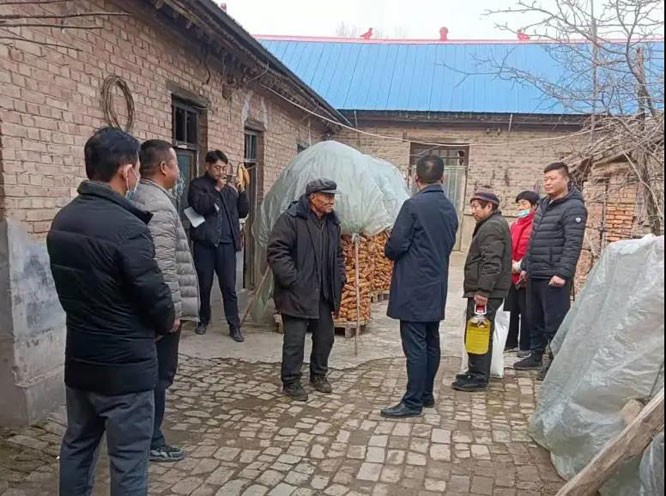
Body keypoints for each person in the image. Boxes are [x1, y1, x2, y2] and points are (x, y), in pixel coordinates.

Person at [47, 127, 176, 495]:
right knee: (129, 462)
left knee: (77, 447)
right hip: (125, 370)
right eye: (135, 167)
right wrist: (167, 321)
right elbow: (154, 295)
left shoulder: (63, 220)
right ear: (126, 170)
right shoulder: (128, 227)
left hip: (81, 360)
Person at [132, 140, 200, 463]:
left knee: (155, 377)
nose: (178, 172)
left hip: (155, 310)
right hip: (163, 313)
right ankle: (152, 441)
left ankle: (146, 436)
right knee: (158, 378)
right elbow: (163, 267)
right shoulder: (157, 205)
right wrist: (169, 314)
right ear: (164, 168)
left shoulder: (147, 197)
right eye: (175, 165)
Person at [380, 155, 459, 418]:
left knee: (415, 346)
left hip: (413, 285)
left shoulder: (412, 205)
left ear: (416, 179)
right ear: (442, 178)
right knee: (431, 340)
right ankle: (426, 394)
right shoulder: (449, 208)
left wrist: (390, 248)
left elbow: (396, 245)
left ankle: (412, 402)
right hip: (436, 284)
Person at [267, 179, 346, 402]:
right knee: (295, 340)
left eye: (333, 196)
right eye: (327, 196)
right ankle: (291, 381)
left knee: (325, 337)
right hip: (296, 291)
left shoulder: (332, 222)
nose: (331, 200)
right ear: (313, 197)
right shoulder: (291, 219)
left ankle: (318, 375)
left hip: (323, 291)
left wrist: (339, 278)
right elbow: (276, 251)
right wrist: (293, 279)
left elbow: (338, 254)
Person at [514, 162, 588, 380]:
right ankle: (535, 355)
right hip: (535, 271)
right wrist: (526, 266)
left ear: (565, 179)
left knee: (554, 322)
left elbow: (573, 244)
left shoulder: (574, 207)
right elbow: (533, 239)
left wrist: (563, 273)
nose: (548, 183)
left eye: (552, 178)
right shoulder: (544, 204)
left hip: (553, 275)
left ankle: (555, 363)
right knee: (533, 318)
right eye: (545, 179)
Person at [452, 189, 512, 393]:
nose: (473, 211)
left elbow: (492, 263)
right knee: (477, 330)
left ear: (490, 207)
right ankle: (475, 371)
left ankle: (478, 377)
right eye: (472, 206)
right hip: (485, 290)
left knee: (479, 331)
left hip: (487, 293)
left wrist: (483, 291)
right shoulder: (490, 224)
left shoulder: (492, 227)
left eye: (477, 207)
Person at [188, 150, 250, 342]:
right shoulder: (198, 185)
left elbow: (242, 212)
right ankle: (203, 320)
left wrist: (241, 192)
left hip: (226, 245)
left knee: (229, 287)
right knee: (204, 285)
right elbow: (199, 207)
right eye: (217, 168)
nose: (221, 172)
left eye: (223, 168)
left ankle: (234, 326)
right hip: (205, 244)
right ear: (207, 166)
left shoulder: (229, 191)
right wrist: (216, 189)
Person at [504, 190, 540, 357]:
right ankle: (509, 341)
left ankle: (525, 345)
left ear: (534, 206)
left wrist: (521, 266)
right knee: (510, 309)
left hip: (526, 274)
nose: (520, 207)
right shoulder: (514, 224)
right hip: (511, 274)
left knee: (527, 312)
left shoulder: (536, 226)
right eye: (518, 204)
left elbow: (533, 249)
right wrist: (510, 263)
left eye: (524, 204)